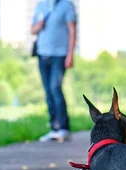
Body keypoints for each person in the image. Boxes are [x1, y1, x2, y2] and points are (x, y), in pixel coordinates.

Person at [31, 0, 77, 142]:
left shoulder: (66, 5)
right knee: (48, 91)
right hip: (42, 53)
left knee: (55, 88)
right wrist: (38, 26)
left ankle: (63, 127)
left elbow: (72, 30)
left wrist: (70, 54)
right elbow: (32, 30)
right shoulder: (40, 5)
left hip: (60, 54)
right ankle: (54, 127)